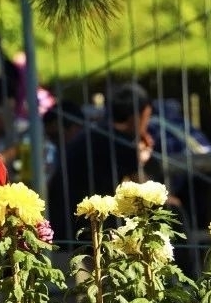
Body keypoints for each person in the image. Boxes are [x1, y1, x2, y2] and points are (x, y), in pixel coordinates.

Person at [47, 83, 161, 240]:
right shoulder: (122, 143)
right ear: (136, 117)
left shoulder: (94, 133)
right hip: (89, 229)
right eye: (147, 117)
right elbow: (143, 192)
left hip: (62, 222)